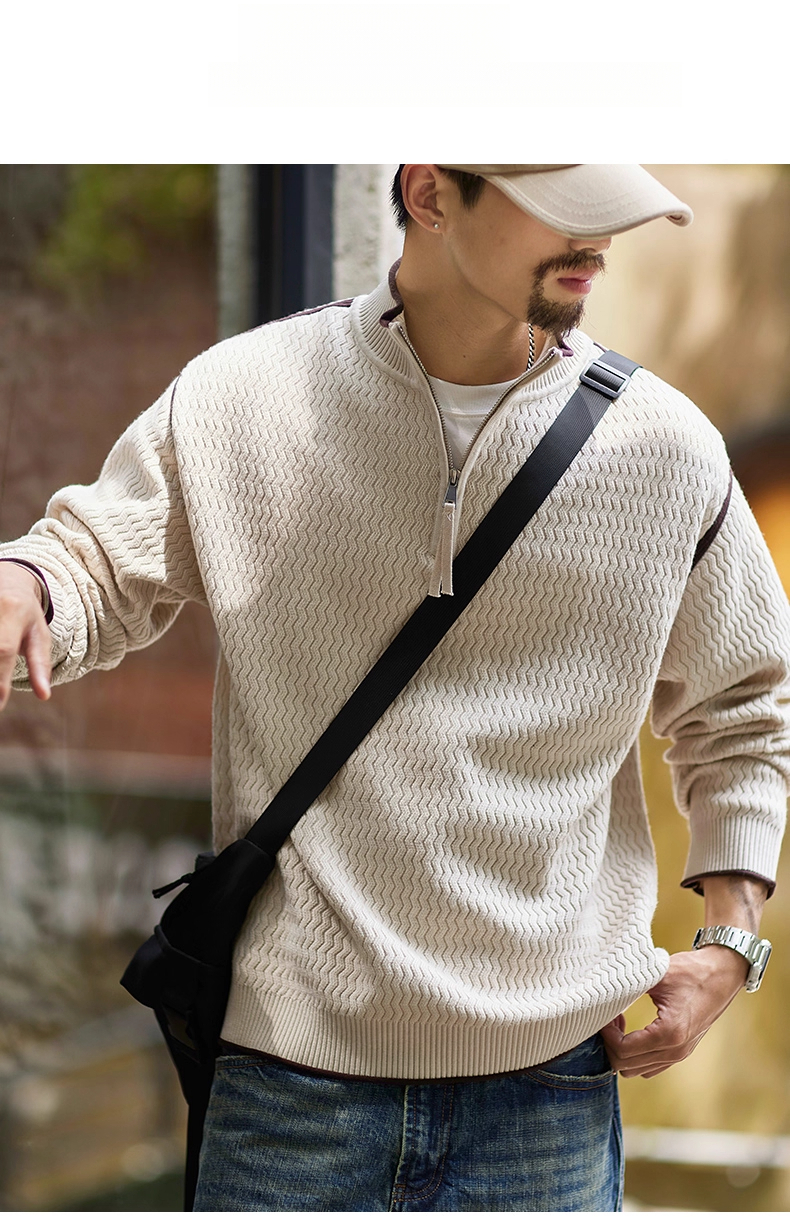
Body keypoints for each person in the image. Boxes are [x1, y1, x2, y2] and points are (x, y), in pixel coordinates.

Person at [0, 164, 788, 1213]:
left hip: (546, 1099)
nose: (599, 238)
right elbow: (96, 559)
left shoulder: (667, 448)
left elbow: (744, 710)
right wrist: (28, 581)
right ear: (428, 194)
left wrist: (730, 939)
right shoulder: (246, 395)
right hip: (288, 1087)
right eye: (561, 204)